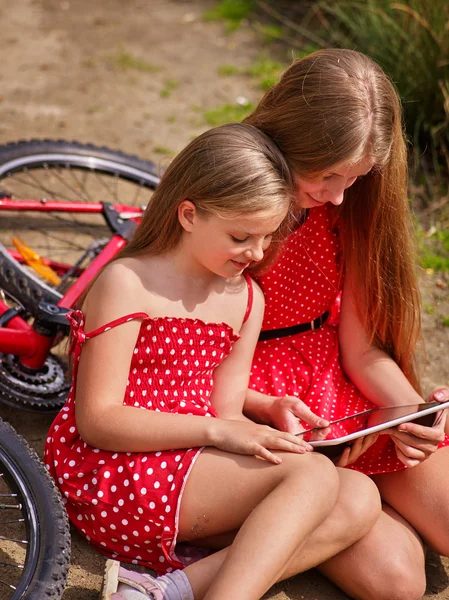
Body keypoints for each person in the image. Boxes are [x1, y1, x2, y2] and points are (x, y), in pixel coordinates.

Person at [44, 123, 382, 600]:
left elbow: (225, 411)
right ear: (188, 214)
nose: (258, 253)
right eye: (242, 236)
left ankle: (161, 591)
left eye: (268, 238)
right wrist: (217, 432)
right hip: (115, 467)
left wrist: (261, 430)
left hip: (187, 465)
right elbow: (98, 420)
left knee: (357, 497)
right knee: (311, 480)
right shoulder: (129, 284)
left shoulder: (245, 299)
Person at [241, 48, 449, 600]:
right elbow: (187, 359)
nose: (339, 193)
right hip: (249, 398)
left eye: (355, 177)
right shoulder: (234, 201)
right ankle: (309, 513)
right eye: (328, 174)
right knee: (398, 582)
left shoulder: (346, 208)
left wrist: (409, 416)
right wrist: (257, 407)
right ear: (290, 137)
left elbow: (361, 350)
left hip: (336, 385)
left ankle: (349, 497)